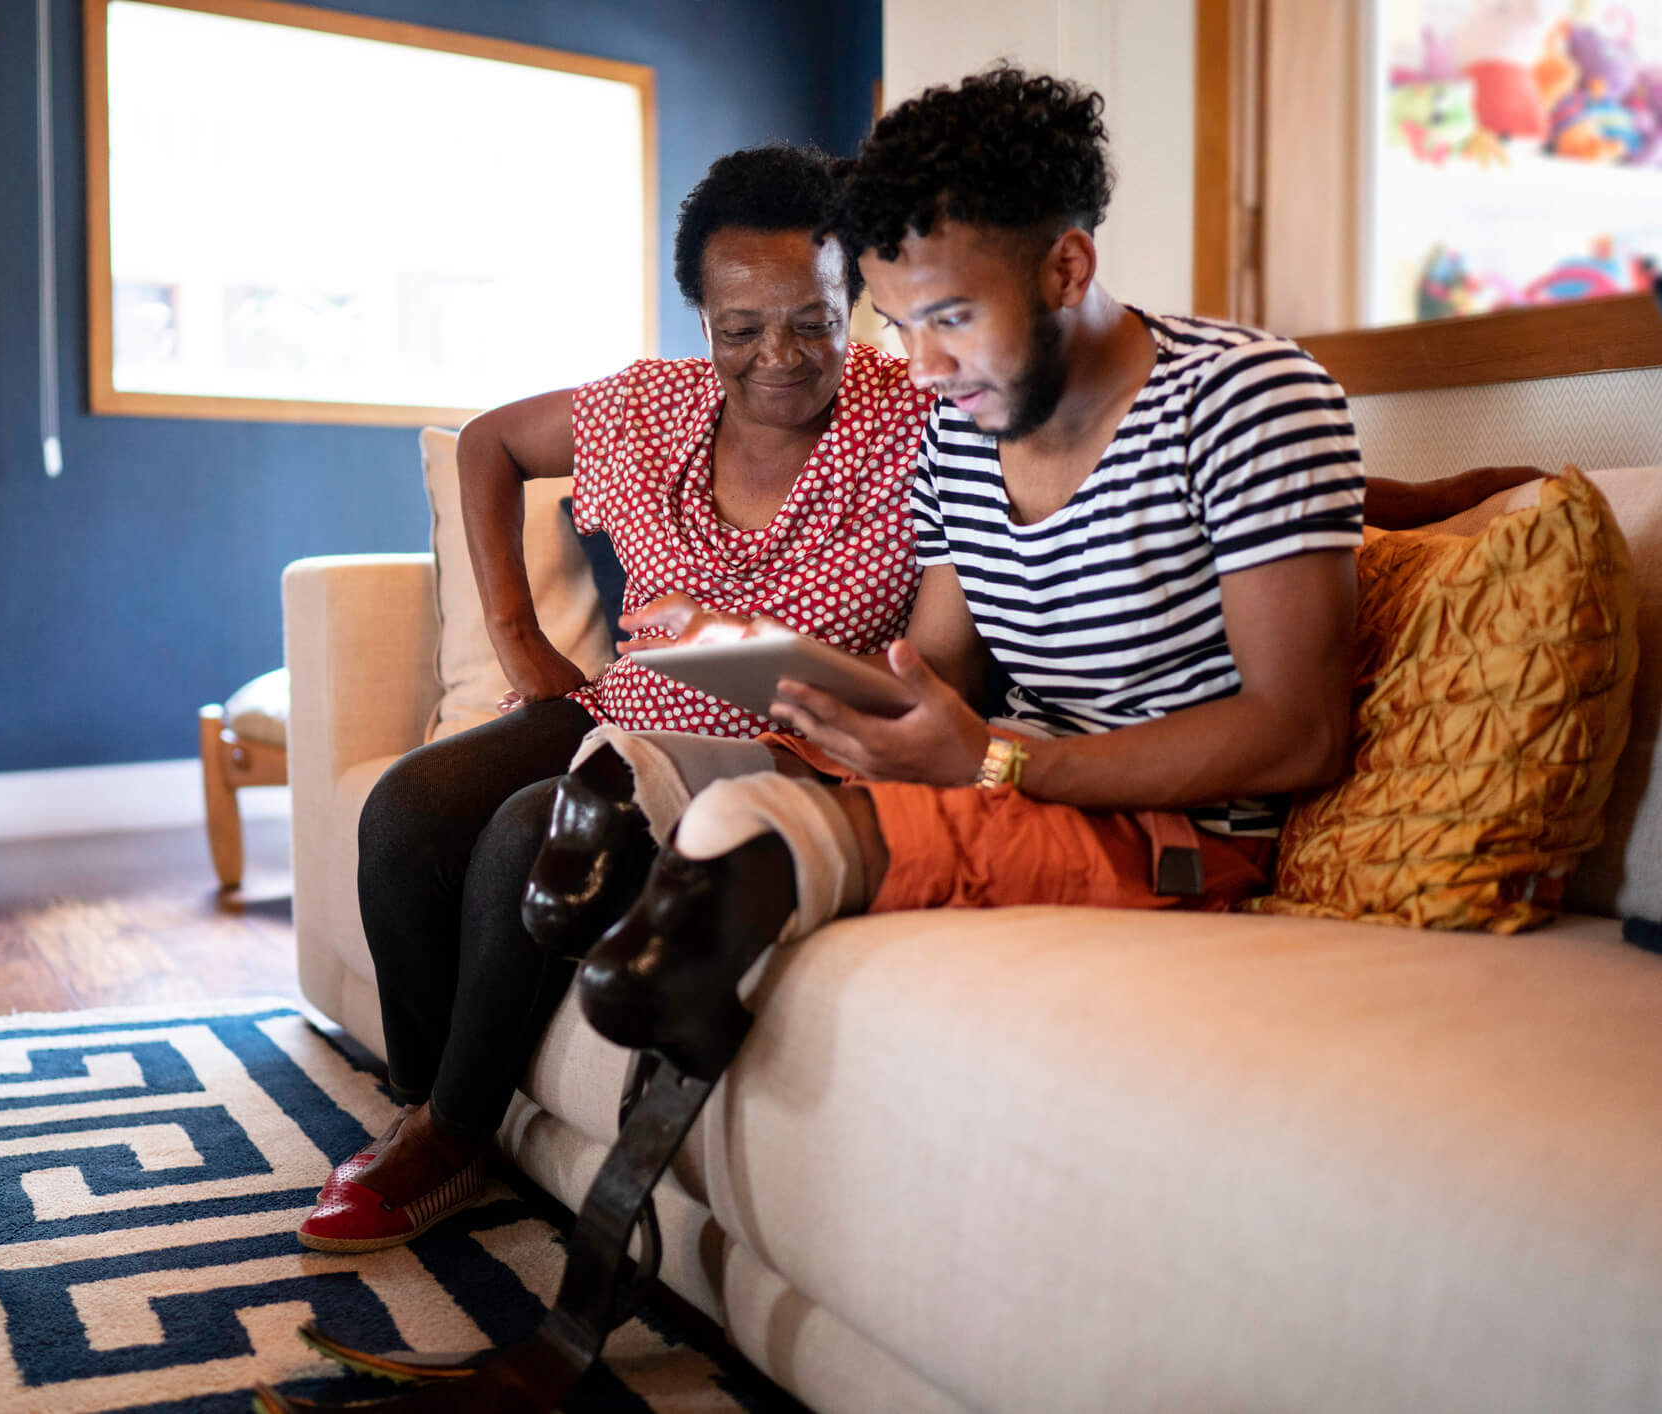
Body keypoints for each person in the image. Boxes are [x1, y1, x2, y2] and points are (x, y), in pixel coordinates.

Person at [561, 67, 1542, 1067]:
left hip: (1173, 826)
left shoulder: (1247, 399)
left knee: (729, 861)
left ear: (1066, 270)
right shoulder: (959, 433)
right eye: (898, 328)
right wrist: (782, 669)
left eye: (947, 318)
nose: (922, 370)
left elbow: (1298, 735)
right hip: (1012, 767)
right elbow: (942, 667)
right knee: (638, 773)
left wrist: (992, 762)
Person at [295, 143, 937, 1253]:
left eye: (813, 321)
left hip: (784, 748)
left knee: (523, 836)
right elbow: (489, 442)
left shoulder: (915, 421)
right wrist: (516, 635)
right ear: (699, 318)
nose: (777, 357)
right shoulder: (650, 408)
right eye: (739, 329)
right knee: (404, 813)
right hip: (627, 704)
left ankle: (447, 1136)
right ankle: (433, 1104)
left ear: (856, 303)